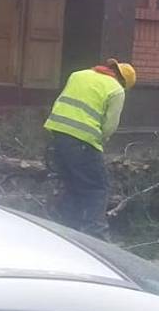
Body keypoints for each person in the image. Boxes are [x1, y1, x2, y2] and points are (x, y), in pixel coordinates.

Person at [43, 58, 136, 240]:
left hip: (57, 134)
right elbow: (110, 125)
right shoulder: (116, 90)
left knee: (72, 184)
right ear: (123, 82)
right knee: (98, 187)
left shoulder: (78, 75)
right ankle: (96, 237)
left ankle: (67, 233)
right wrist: (101, 140)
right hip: (83, 141)